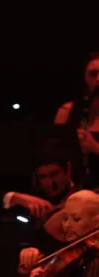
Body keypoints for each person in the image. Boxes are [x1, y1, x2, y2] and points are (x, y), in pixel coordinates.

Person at [54, 52, 99, 188]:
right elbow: (53, 155)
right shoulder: (69, 111)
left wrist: (95, 147)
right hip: (76, 189)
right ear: (85, 77)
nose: (98, 79)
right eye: (93, 74)